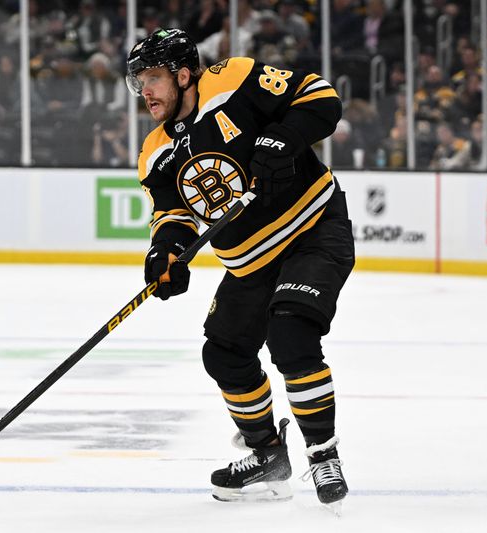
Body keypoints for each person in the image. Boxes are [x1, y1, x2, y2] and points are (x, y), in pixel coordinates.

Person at [126, 29, 353, 509]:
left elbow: (321, 98)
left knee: (291, 336)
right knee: (224, 355)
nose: (144, 91)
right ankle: (268, 454)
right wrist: (166, 253)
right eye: (139, 81)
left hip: (311, 229)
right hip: (249, 262)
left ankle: (323, 454)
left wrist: (285, 136)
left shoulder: (235, 79)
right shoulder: (153, 151)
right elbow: (172, 214)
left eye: (152, 78)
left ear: (184, 75)